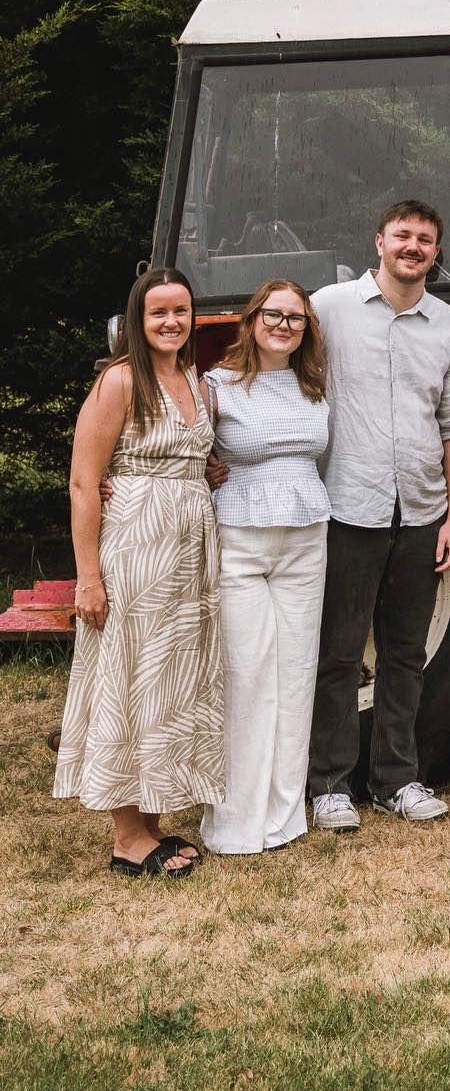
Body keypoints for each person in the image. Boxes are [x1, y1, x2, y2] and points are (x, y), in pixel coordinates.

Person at [307, 201, 450, 830]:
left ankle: (397, 779)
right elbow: (278, 376)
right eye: (402, 236)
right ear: (378, 241)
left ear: (435, 251)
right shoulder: (329, 308)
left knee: (405, 653)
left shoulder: (447, 323)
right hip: (348, 506)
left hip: (423, 511)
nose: (413, 247)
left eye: (425, 239)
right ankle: (329, 785)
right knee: (341, 653)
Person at [53, 268, 222, 877]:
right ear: (136, 321)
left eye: (181, 311)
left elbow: (193, 458)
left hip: (188, 559)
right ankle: (127, 836)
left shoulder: (197, 384)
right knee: (128, 676)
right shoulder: (119, 381)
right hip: (134, 552)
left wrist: (207, 473)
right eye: (158, 314)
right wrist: (88, 578)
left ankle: (149, 819)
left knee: (166, 681)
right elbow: (82, 483)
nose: (171, 322)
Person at [200, 278, 330, 855]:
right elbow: (179, 448)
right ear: (252, 321)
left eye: (295, 318)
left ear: (306, 329)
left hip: (306, 537)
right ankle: (235, 821)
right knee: (247, 677)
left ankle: (283, 817)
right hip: (241, 539)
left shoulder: (314, 385)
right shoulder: (216, 387)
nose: (284, 325)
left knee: (296, 675)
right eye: (273, 315)